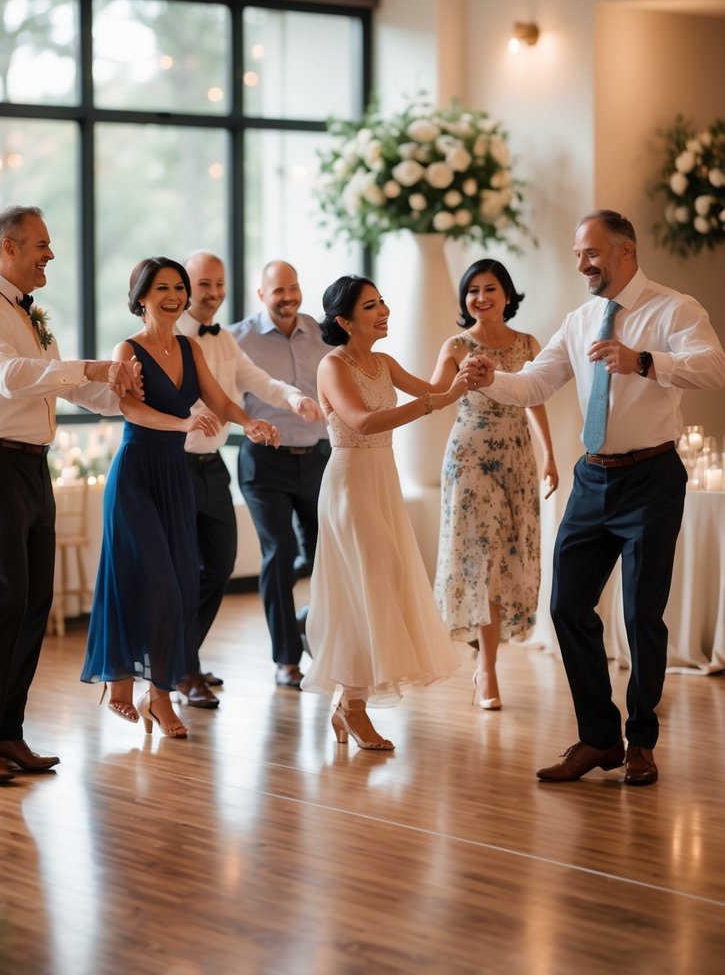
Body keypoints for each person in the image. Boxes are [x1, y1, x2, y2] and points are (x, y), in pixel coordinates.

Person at [464, 211, 725, 785]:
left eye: (591, 253)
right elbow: (535, 381)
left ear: (626, 252)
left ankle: (641, 743)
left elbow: (713, 367)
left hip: (652, 477)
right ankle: (600, 738)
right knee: (565, 607)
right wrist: (492, 381)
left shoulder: (673, 308)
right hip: (592, 479)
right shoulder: (581, 319)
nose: (581, 264)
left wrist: (645, 362)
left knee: (640, 615)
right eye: (578, 254)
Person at [0, 204, 144, 784]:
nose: (51, 255)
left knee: (36, 600)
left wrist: (128, 396)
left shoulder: (31, 316)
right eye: (41, 244)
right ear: (8, 248)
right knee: (6, 597)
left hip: (33, 466)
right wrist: (90, 364)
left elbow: (67, 386)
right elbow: (11, 376)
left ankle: (8, 730)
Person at [80, 257, 281, 737]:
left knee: (180, 586)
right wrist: (183, 423)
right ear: (142, 296)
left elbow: (219, 400)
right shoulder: (126, 348)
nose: (174, 295)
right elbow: (130, 408)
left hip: (175, 475)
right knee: (153, 583)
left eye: (179, 287)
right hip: (135, 476)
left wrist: (249, 422)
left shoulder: (191, 347)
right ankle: (138, 686)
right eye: (162, 287)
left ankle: (150, 693)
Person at [301, 275, 467, 750]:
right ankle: (353, 709)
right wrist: (432, 402)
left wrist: (456, 368)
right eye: (371, 305)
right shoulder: (333, 365)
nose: (383, 310)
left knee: (384, 582)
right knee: (366, 587)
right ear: (344, 320)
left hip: (382, 479)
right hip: (350, 484)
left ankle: (349, 706)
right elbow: (362, 420)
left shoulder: (383, 362)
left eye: (382, 301)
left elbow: (437, 390)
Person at [176, 250, 322, 703]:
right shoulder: (173, 337)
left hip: (217, 464)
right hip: (178, 464)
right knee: (187, 570)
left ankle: (184, 660)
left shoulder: (223, 340)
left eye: (220, 284)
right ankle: (182, 669)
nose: (215, 293)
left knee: (218, 566)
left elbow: (256, 379)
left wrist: (293, 398)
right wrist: (247, 423)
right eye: (205, 285)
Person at [431, 259, 558, 710]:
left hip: (516, 457)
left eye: (489, 289)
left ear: (506, 295)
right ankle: (486, 670)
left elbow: (534, 400)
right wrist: (460, 379)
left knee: (509, 556)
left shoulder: (528, 344)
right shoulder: (456, 345)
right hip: (469, 457)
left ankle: (488, 659)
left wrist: (548, 454)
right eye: (472, 291)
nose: (480, 298)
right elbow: (436, 397)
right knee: (480, 559)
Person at [229, 261, 329, 689]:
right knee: (279, 550)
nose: (288, 298)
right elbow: (217, 395)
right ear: (261, 294)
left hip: (318, 457)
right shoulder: (237, 339)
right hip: (264, 461)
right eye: (278, 292)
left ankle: (311, 624)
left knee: (325, 551)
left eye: (293, 288)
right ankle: (287, 659)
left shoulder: (322, 332)